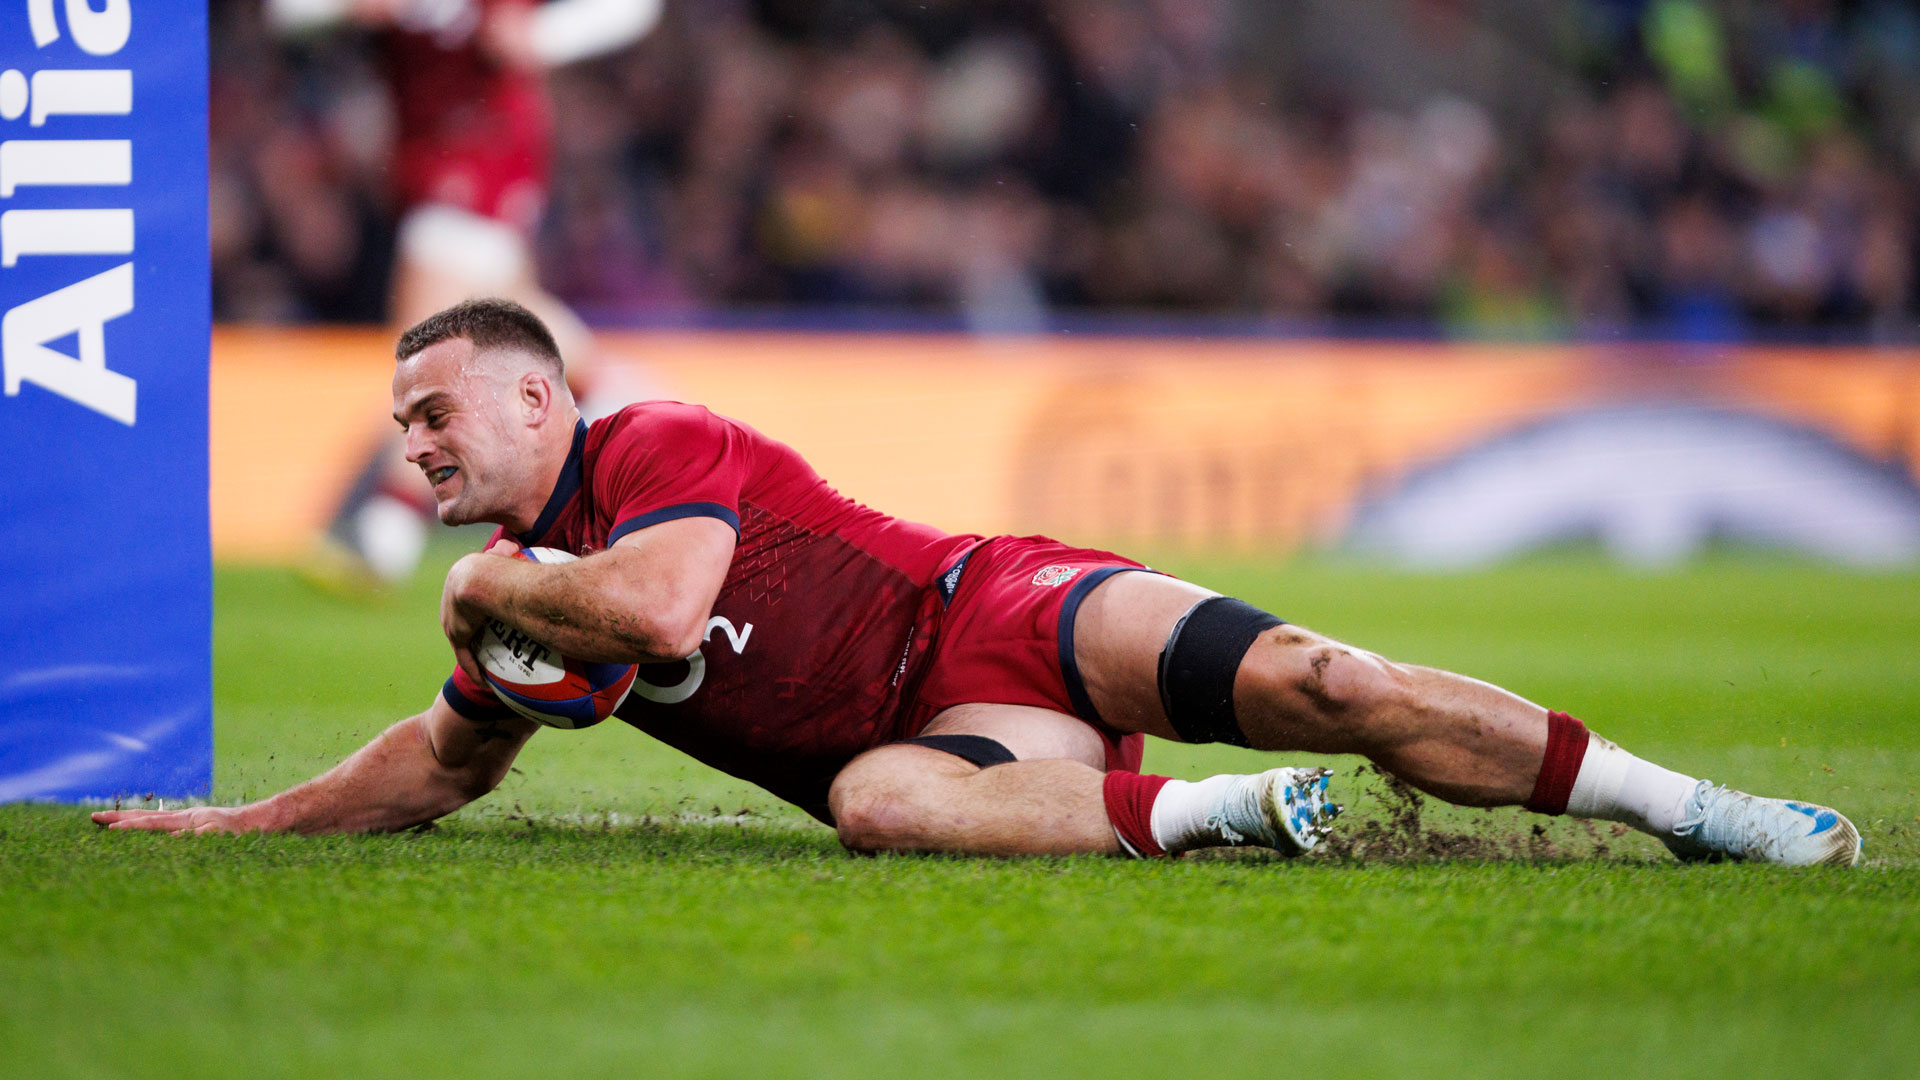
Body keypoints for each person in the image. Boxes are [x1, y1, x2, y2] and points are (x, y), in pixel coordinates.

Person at [97, 299, 1863, 867]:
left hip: (992, 608)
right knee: (874, 803)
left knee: (1337, 670)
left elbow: (646, 612)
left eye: (435, 408)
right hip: (943, 737)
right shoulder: (501, 592)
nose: (410, 446)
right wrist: (239, 831)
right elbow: (445, 761)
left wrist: (484, 599)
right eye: (398, 424)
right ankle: (1251, 813)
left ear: (542, 393)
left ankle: (1702, 810)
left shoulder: (651, 443)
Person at [268, 0, 665, 584]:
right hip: (421, 154)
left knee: (431, 336)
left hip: (486, 147)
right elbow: (286, 15)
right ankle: (632, 404)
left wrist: (542, 36)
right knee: (509, 318)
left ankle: (389, 526)